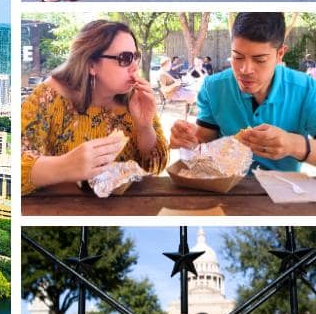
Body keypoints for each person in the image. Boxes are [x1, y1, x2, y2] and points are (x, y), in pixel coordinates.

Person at [22, 20, 168, 194]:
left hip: (125, 206)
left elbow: (154, 167)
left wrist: (145, 127)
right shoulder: (50, 97)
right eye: (125, 58)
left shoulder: (136, 99)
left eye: (136, 57)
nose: (135, 67)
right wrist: (64, 166)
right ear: (91, 65)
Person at [171, 12, 316, 171]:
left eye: (259, 59)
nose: (245, 70)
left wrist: (294, 144)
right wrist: (188, 139)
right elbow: (203, 143)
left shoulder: (306, 90)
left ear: (280, 54)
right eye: (238, 57)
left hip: (283, 185)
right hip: (226, 184)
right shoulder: (213, 87)